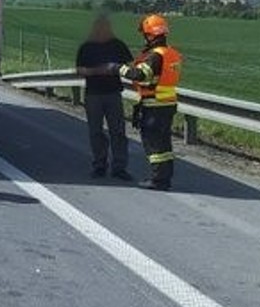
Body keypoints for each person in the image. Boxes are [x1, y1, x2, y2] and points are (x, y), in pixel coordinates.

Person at [118, 14, 182, 190]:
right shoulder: (171, 53)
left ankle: (158, 180)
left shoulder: (155, 56)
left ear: (150, 35)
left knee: (154, 145)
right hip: (168, 103)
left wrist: (120, 68)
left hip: (154, 106)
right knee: (164, 144)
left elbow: (140, 75)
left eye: (145, 34)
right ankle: (165, 177)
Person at [76, 15, 134, 180]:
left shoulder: (118, 45)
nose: (103, 30)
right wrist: (97, 71)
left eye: (106, 27)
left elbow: (130, 65)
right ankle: (99, 164)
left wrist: (116, 68)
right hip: (93, 94)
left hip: (113, 93)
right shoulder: (87, 47)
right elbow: (79, 70)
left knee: (118, 131)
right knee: (96, 132)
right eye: (100, 27)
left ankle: (119, 167)